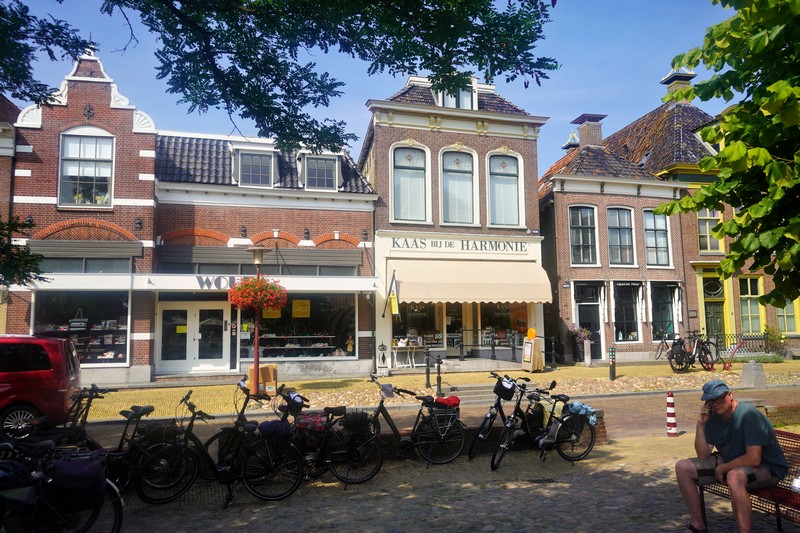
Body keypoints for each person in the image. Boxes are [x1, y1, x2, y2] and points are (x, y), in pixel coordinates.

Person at [675, 379, 789, 533]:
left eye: (719, 399)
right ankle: (698, 525)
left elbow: (754, 458)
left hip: (768, 467)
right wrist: (700, 425)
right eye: (710, 401)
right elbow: (702, 454)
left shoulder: (749, 415)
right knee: (683, 467)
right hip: (733, 460)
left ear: (730, 395)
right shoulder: (713, 416)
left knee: (734, 476)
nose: (715, 404)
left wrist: (723, 468)